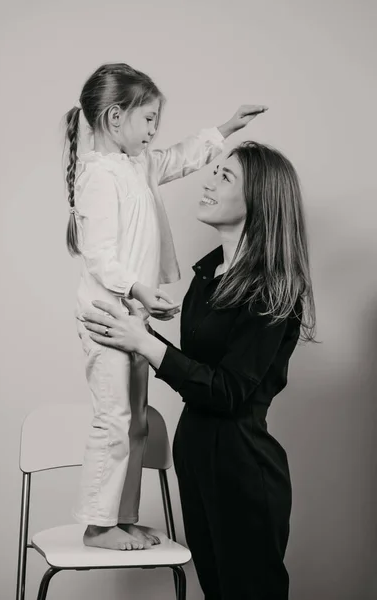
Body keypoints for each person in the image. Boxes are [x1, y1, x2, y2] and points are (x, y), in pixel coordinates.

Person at [80, 140, 316, 599]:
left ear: (259, 198)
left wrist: (146, 345)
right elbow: (201, 370)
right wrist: (137, 335)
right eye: (213, 171)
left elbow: (227, 391)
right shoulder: (208, 274)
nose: (207, 182)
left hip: (242, 468)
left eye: (224, 177)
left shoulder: (272, 286)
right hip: (197, 458)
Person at [63, 61, 267, 551]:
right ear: (116, 118)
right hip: (107, 318)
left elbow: (180, 158)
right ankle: (97, 524)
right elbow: (99, 257)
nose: (155, 131)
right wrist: (137, 289)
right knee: (113, 420)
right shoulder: (98, 177)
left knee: (137, 420)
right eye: (149, 119)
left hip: (130, 319)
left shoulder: (136, 164)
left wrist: (225, 128)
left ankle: (122, 515)